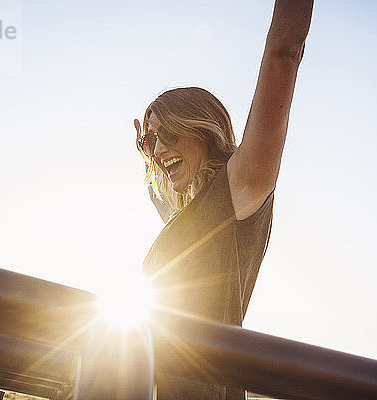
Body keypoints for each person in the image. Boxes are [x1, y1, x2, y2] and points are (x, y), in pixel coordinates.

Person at [133, 1, 313, 399]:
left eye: (169, 134)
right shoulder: (192, 220)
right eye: (150, 139)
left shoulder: (241, 189)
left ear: (201, 128)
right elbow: (168, 208)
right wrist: (149, 152)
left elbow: (283, 54)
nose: (159, 149)